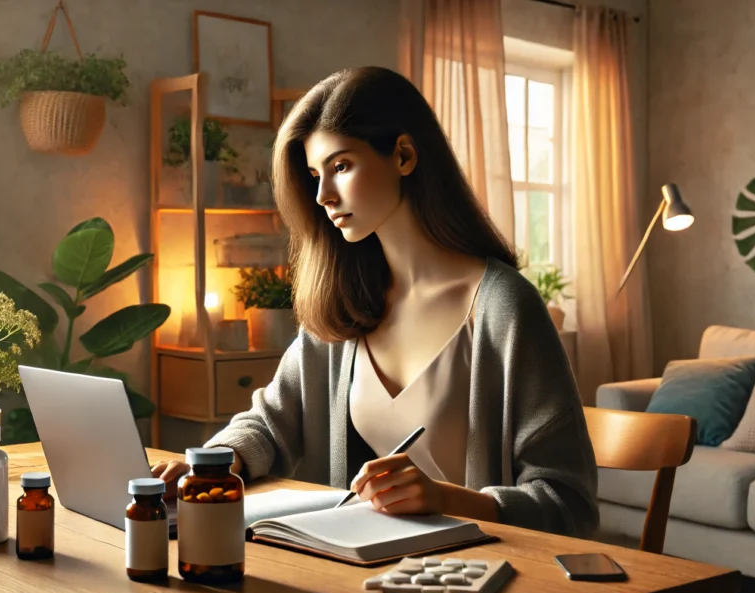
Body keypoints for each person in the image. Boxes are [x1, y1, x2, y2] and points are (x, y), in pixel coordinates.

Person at [152, 66, 598, 537]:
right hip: (366, 564)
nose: (323, 195)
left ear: (404, 155)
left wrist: (447, 499)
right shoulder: (345, 303)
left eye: (341, 166)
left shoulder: (504, 308)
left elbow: (570, 504)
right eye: (314, 175)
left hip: (477, 573)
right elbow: (268, 423)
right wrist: (211, 465)